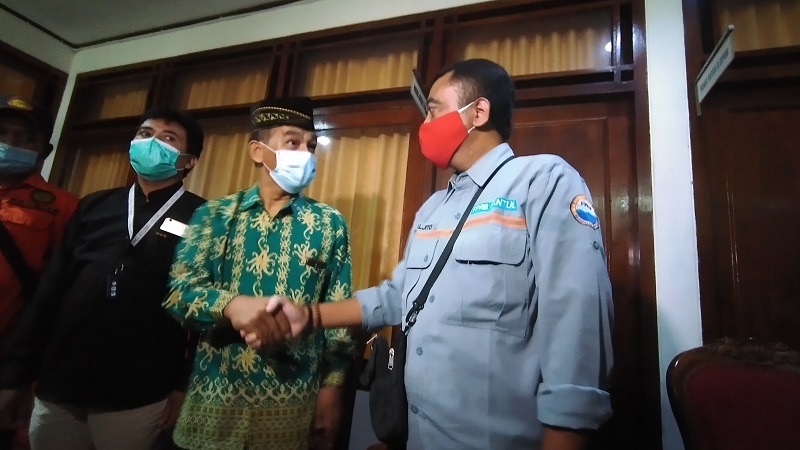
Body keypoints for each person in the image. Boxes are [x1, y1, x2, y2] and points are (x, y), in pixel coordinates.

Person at [245, 59, 615, 450]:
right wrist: (310, 316)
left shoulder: (543, 181)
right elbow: (397, 296)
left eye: (434, 110)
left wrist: (565, 437)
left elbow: (576, 315)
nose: (425, 124)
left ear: (478, 112)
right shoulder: (434, 208)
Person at [0, 108, 206, 450]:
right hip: (61, 380)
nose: (151, 143)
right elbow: (50, 292)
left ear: (189, 161)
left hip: (140, 388)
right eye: (145, 134)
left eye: (168, 138)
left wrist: (184, 385)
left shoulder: (205, 216)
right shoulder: (94, 206)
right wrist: (16, 374)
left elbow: (202, 313)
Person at [162, 97, 356, 450]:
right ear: (257, 151)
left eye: (311, 146)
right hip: (213, 408)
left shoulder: (329, 224)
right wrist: (231, 306)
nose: (305, 154)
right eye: (293, 142)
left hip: (291, 410)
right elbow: (179, 293)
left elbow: (339, 317)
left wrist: (333, 390)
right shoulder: (214, 216)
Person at [0, 96, 79, 448]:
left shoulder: (63, 206)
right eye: (3, 133)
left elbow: (58, 291)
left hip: (8, 350)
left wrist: (21, 375)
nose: (10, 143)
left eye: (25, 138)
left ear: (44, 151)